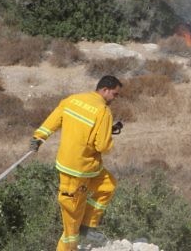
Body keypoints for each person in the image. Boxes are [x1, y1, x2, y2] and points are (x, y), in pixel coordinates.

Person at [29, 75, 123, 251]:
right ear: (105, 90)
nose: (115, 98)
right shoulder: (103, 111)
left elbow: (54, 120)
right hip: (76, 172)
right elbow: (102, 145)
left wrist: (38, 137)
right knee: (71, 227)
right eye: (115, 94)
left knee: (107, 185)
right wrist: (108, 138)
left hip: (87, 168)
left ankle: (88, 225)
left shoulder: (73, 100)